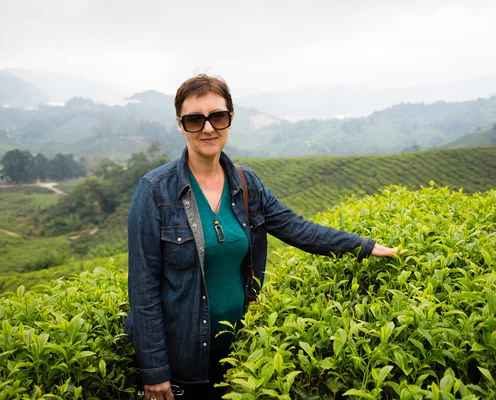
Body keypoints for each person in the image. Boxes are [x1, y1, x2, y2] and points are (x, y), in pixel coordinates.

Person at [125, 74, 400, 400]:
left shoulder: (245, 183)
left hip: (240, 355)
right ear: (180, 124)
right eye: (195, 120)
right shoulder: (156, 191)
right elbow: (143, 291)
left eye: (218, 116)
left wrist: (364, 246)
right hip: (182, 366)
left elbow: (297, 228)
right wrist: (155, 372)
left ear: (230, 118)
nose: (208, 128)